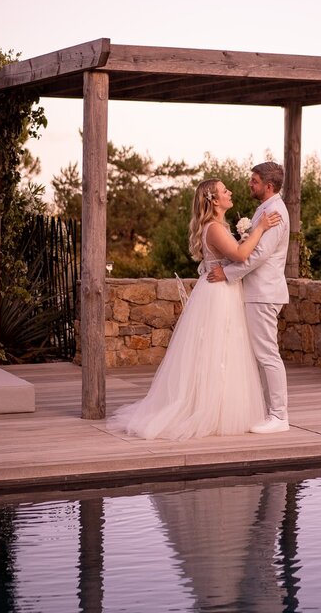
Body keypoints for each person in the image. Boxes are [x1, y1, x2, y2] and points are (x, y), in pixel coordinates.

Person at [107, 179, 281, 439]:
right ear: (213, 200)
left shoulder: (218, 226)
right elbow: (241, 254)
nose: (230, 192)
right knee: (215, 350)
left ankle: (221, 408)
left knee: (225, 351)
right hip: (218, 295)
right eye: (224, 191)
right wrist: (260, 228)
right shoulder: (213, 228)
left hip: (225, 290)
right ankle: (206, 410)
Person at [207, 162, 290, 433]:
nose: (249, 185)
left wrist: (227, 273)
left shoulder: (275, 212)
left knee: (267, 355)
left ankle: (279, 416)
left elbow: (257, 256)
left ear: (268, 186)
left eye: (254, 181)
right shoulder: (264, 209)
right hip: (255, 292)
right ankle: (267, 412)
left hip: (263, 293)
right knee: (258, 354)